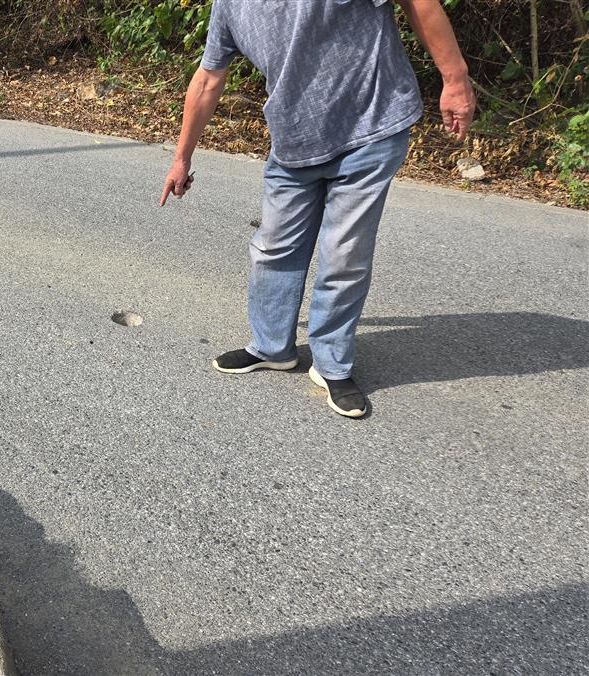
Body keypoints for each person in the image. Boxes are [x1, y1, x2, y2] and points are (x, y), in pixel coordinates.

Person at [160, 0, 475, 418]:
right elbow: (207, 79)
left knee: (345, 255)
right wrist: (182, 158)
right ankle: (271, 346)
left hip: (371, 128)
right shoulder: (229, 6)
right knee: (273, 247)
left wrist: (454, 78)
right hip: (294, 144)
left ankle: (331, 364)